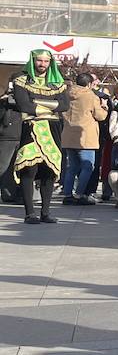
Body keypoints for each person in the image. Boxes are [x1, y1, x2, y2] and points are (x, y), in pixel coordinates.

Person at [11, 49, 69, 225]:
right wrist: (51, 107)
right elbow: (23, 105)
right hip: (31, 127)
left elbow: (64, 105)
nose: (42, 64)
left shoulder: (58, 83)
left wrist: (35, 102)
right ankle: (30, 214)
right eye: (39, 61)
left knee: (49, 171)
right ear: (33, 61)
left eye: (45, 61)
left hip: (53, 129)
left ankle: (45, 213)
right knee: (29, 169)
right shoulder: (21, 80)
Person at [59, 72, 108, 205]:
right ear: (89, 84)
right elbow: (100, 116)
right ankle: (80, 194)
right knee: (88, 166)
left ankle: (68, 194)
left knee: (72, 167)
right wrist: (104, 106)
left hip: (68, 136)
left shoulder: (66, 94)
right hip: (85, 137)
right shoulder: (90, 96)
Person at [0, 75, 22, 204]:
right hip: (7, 136)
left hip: (23, 134)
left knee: (20, 167)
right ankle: (7, 193)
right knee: (3, 167)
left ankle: (13, 193)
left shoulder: (27, 98)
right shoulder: (4, 100)